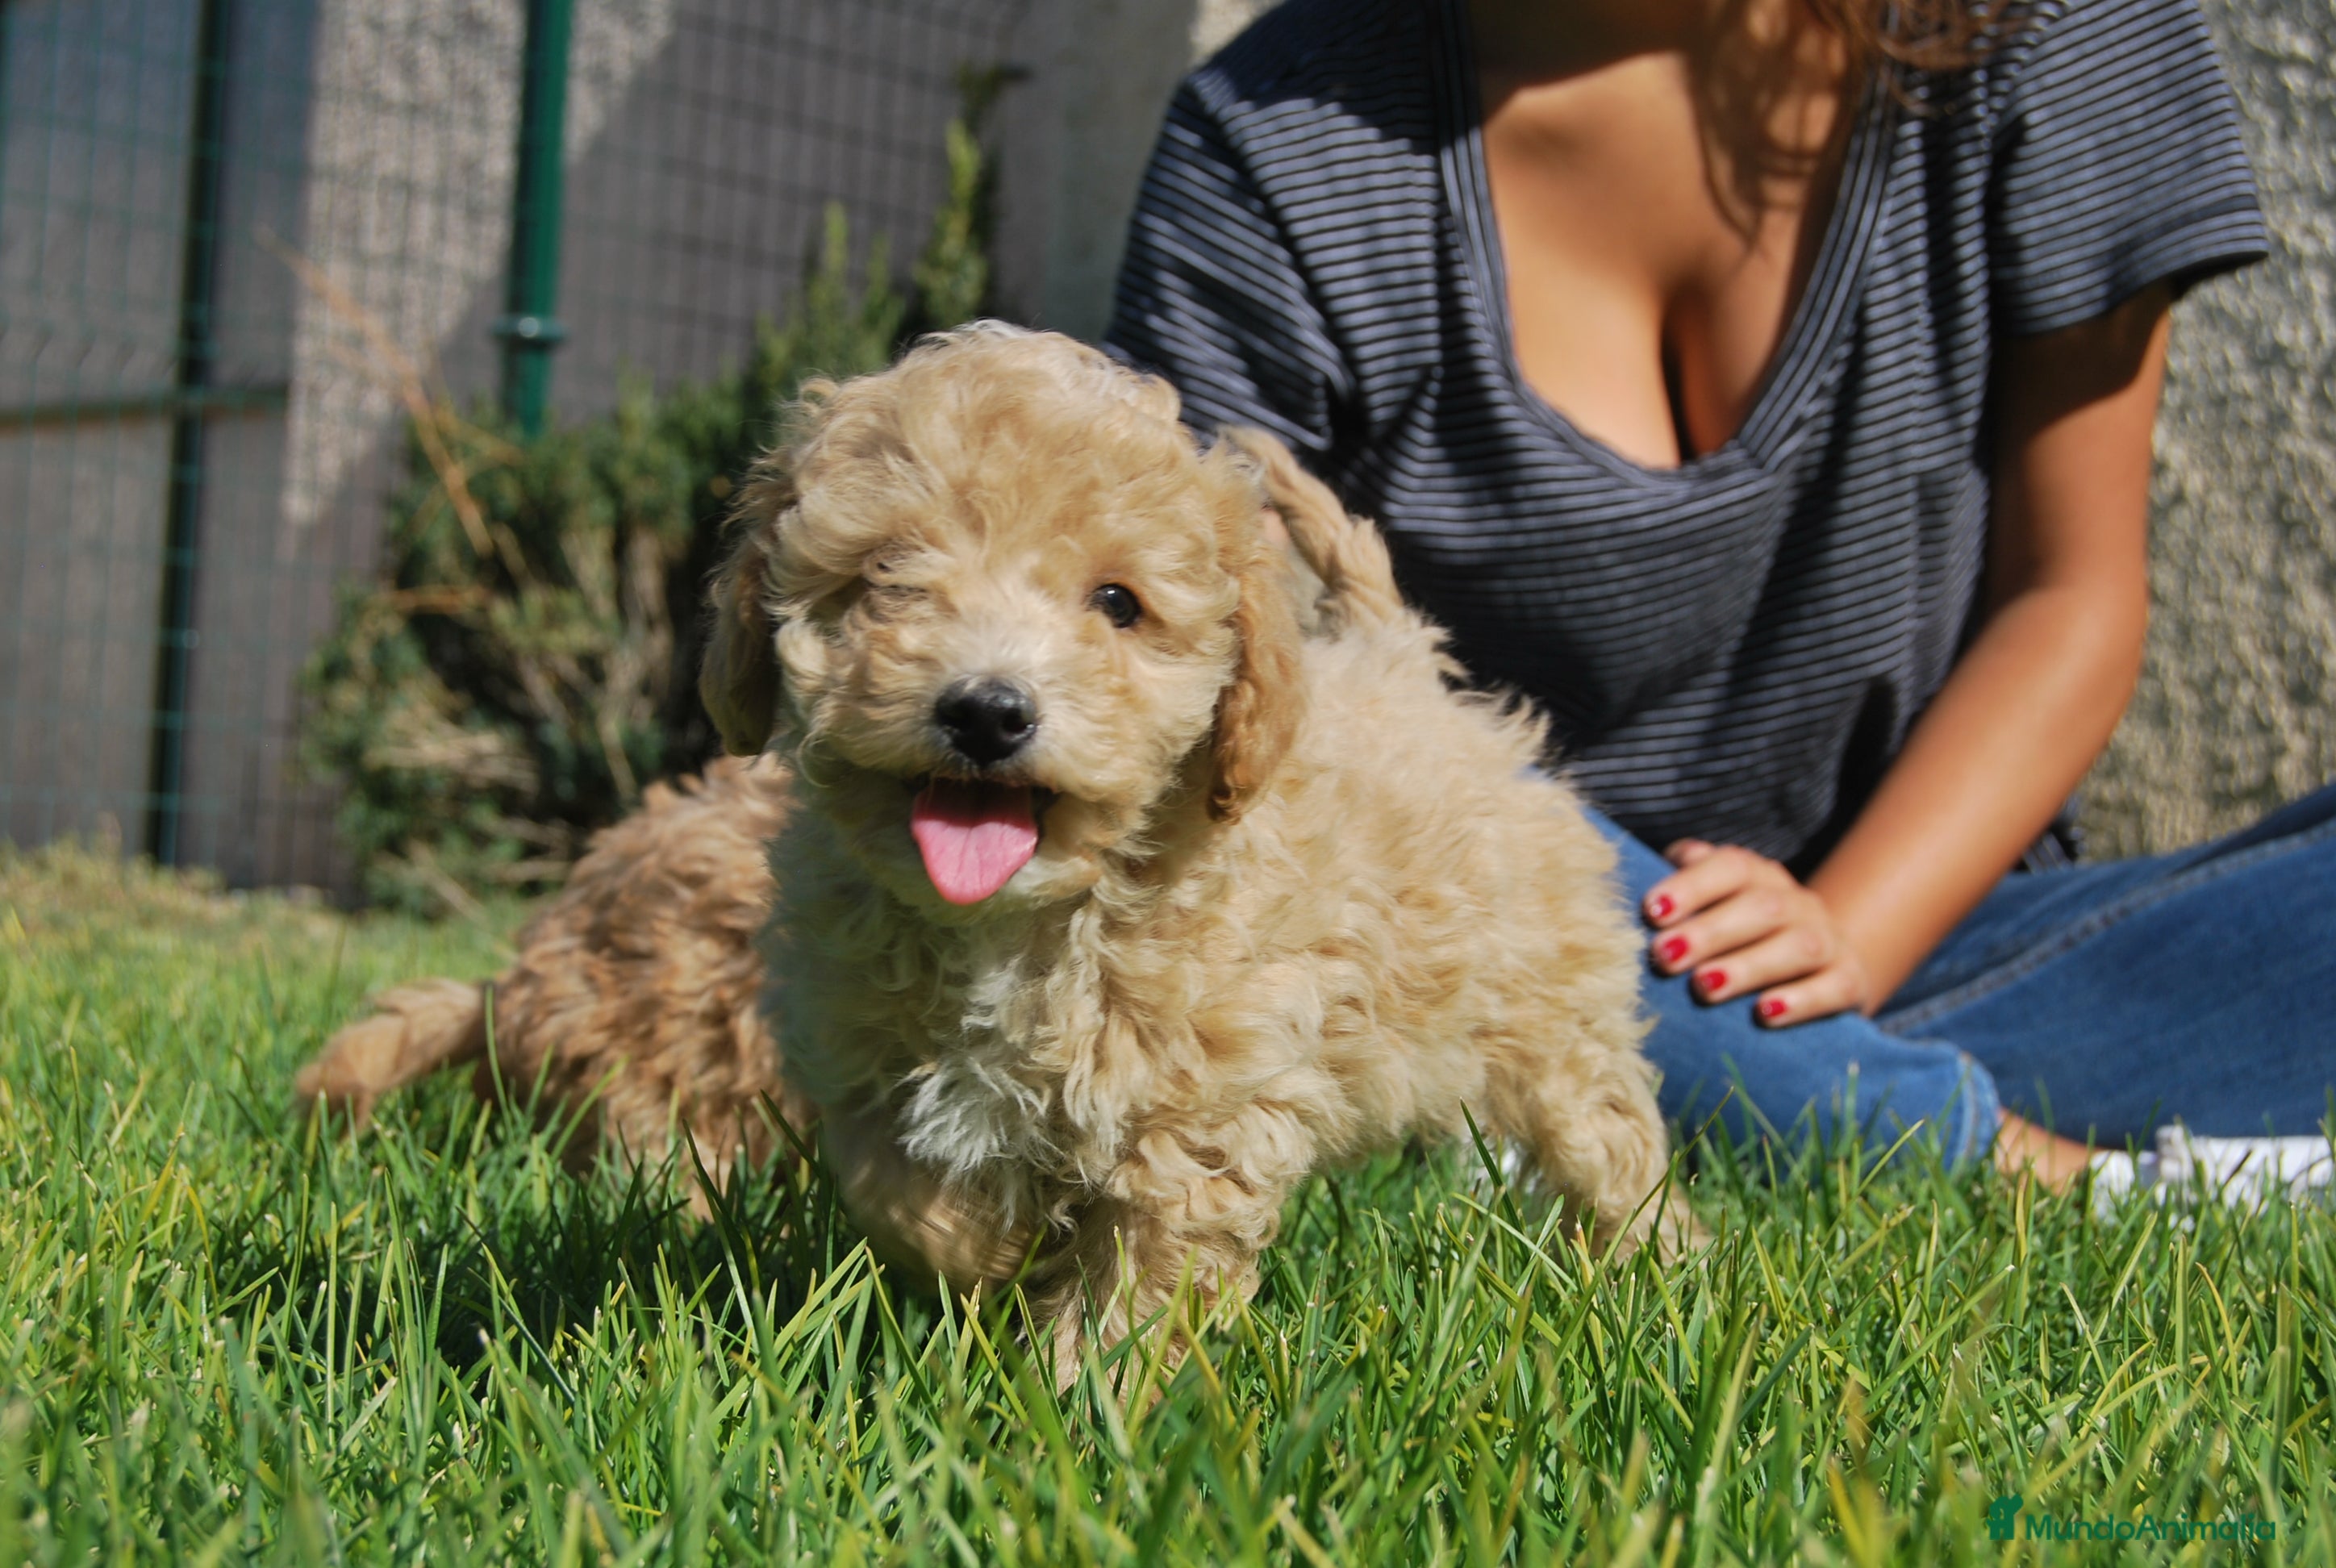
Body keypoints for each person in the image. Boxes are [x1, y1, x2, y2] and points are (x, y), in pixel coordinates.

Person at [1102, 0, 2336, 1185]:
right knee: (1461, 798)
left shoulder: (2052, 34)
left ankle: (1755, 1097)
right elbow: (1229, 697)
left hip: (1948, 917)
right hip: (1527, 934)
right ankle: (2037, 1170)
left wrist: (1843, 936)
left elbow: (2069, 594)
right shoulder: (1275, 141)